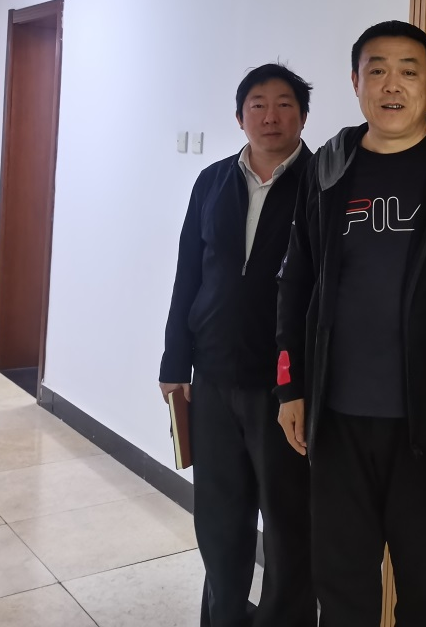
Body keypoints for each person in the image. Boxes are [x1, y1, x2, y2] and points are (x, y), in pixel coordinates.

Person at [276, 20, 426, 627]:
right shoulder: (330, 166)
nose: (393, 85)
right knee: (341, 582)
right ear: (355, 81)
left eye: (409, 71)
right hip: (337, 418)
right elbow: (297, 280)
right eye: (377, 70)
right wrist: (290, 384)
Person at [159, 64, 316, 627]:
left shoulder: (322, 184)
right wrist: (175, 361)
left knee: (289, 523)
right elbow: (188, 273)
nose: (271, 116)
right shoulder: (212, 181)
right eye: (258, 104)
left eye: (284, 104)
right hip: (213, 377)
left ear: (303, 116)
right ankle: (222, 616)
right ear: (239, 116)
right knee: (219, 519)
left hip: (284, 389)